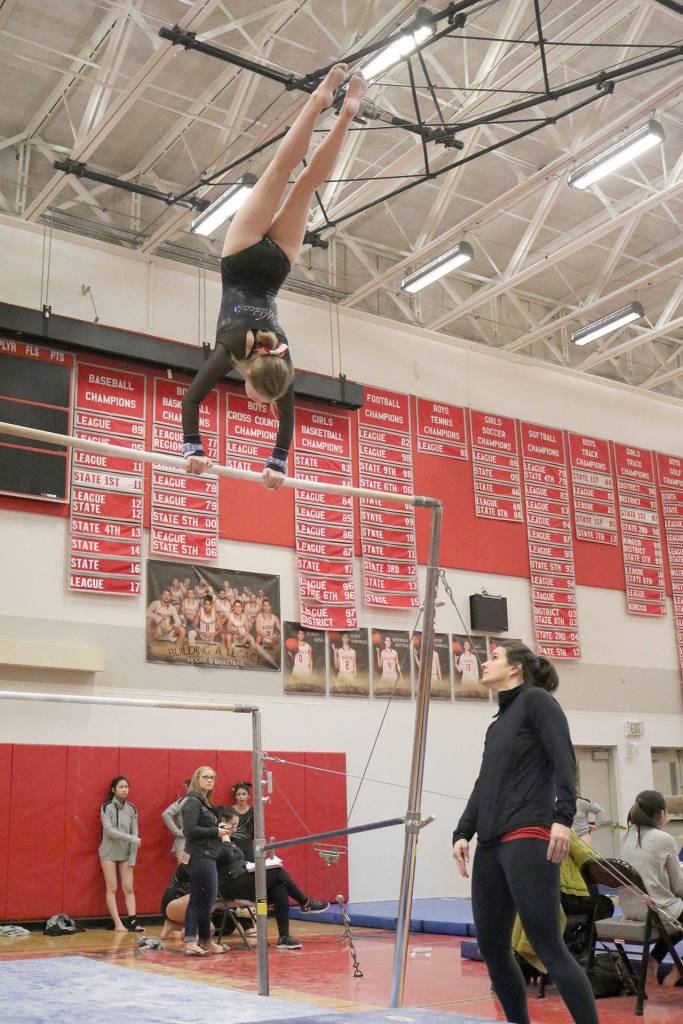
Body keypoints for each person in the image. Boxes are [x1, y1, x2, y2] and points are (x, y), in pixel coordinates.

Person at [181, 64, 368, 488]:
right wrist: (193, 448)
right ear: (251, 378)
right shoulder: (234, 350)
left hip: (276, 266)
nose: (261, 406)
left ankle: (344, 110)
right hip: (242, 254)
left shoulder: (282, 358)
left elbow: (287, 422)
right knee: (283, 171)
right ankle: (324, 102)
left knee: (301, 181)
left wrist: (280, 461)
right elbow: (191, 399)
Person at [451, 640, 599, 1024]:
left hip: (528, 837)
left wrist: (564, 818)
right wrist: (462, 831)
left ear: (515, 669)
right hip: (491, 843)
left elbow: (565, 759)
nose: (485, 662)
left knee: (548, 945)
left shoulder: (537, 702)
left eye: (495, 658)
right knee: (494, 948)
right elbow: (485, 783)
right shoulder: (497, 724)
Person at [217, 811, 329, 950]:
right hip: (228, 887)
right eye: (233, 825)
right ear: (222, 822)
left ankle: (284, 937)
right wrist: (224, 836)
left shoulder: (233, 843)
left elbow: (242, 861)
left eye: (236, 826)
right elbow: (226, 857)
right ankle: (305, 902)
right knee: (277, 872)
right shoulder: (215, 842)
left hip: (245, 883)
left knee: (279, 889)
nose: (235, 829)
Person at [512, 830, 614, 978]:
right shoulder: (560, 829)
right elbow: (589, 857)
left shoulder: (521, 831)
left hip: (527, 901)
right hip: (562, 897)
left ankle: (570, 944)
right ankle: (581, 950)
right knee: (605, 904)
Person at [619, 790, 683, 988]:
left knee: (675, 911)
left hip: (630, 909)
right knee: (677, 910)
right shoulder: (663, 839)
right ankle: (679, 966)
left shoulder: (628, 835)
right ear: (662, 813)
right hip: (654, 911)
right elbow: (679, 888)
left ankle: (653, 961)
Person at [182, 765, 231, 957]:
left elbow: (203, 827)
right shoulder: (193, 802)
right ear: (197, 779)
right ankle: (191, 941)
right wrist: (215, 831)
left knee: (207, 900)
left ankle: (205, 941)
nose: (210, 781)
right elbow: (189, 831)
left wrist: (218, 828)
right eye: (205, 777)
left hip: (208, 855)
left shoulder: (205, 802)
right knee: (198, 899)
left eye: (212, 777)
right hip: (199, 857)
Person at [98, 775, 143, 933]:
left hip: (125, 854)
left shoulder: (132, 809)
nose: (124, 790)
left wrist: (132, 859)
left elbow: (135, 833)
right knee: (112, 888)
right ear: (113, 790)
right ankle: (118, 923)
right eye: (121, 787)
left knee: (128, 888)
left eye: (126, 787)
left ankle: (133, 922)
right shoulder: (106, 807)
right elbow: (110, 831)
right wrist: (132, 838)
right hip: (108, 853)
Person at [162, 780, 190, 864]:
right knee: (184, 873)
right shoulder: (185, 800)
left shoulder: (203, 802)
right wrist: (178, 832)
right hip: (184, 843)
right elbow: (166, 814)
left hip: (197, 844)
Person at [228, 781, 254, 859]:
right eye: (238, 794)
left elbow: (256, 831)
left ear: (248, 796)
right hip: (233, 846)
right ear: (235, 796)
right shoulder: (230, 810)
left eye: (244, 794)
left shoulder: (253, 811)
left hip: (247, 845)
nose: (241, 797)